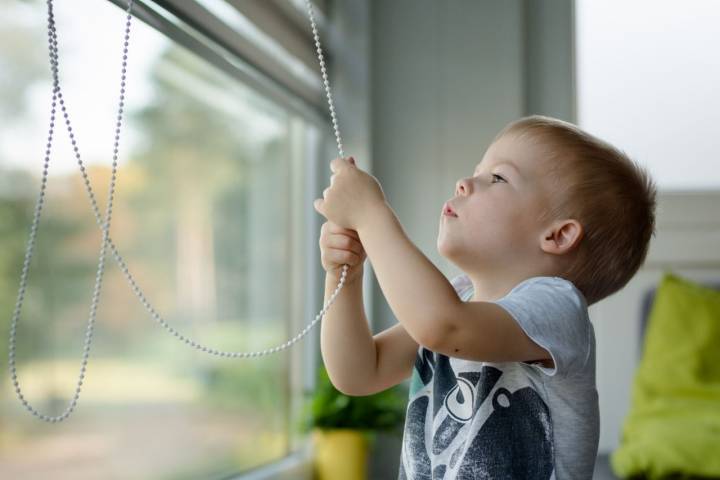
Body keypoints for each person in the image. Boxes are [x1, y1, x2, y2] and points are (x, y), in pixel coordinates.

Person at [313, 114, 657, 479]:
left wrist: (371, 215)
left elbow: (443, 326)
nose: (464, 183)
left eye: (497, 177)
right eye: (477, 171)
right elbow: (360, 372)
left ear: (557, 236)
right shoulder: (459, 298)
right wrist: (344, 276)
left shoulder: (557, 306)